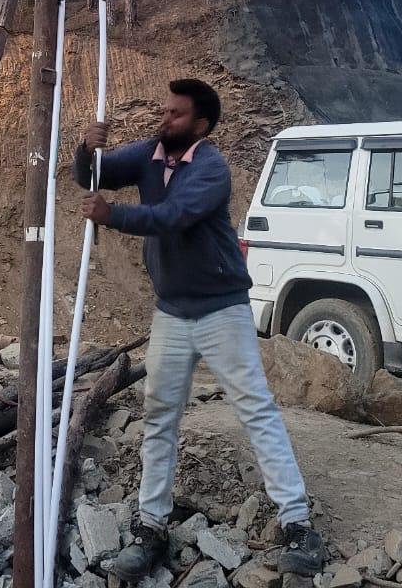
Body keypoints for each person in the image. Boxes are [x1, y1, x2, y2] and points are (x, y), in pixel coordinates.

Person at [73, 78, 326, 581]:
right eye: (165, 111)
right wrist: (87, 146)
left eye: (176, 115)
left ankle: (297, 523)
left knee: (255, 408)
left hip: (220, 309)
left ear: (201, 125)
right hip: (171, 311)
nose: (164, 120)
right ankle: (152, 526)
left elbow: (174, 216)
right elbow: (93, 175)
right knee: (160, 414)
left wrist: (114, 215)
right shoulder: (150, 153)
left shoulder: (211, 167)